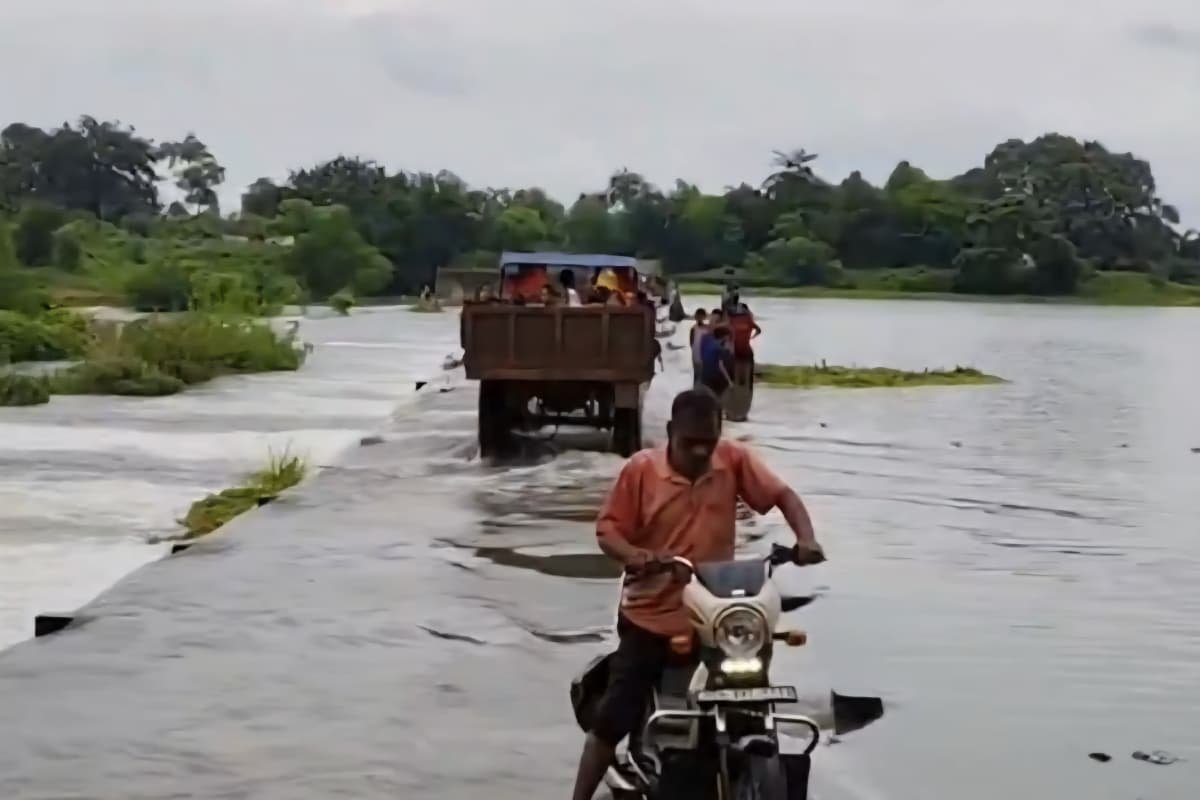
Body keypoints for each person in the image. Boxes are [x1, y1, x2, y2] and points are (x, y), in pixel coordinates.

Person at [570, 388, 824, 800]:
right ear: (671, 431)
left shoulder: (732, 460)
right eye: (691, 443)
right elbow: (608, 530)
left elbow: (783, 496)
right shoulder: (641, 471)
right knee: (613, 719)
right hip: (651, 614)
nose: (701, 451)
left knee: (750, 699)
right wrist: (638, 556)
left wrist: (806, 539)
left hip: (715, 615)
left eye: (709, 441)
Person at [699, 325, 734, 397]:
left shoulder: (707, 340)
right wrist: (729, 381)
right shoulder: (720, 348)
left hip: (704, 375)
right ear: (725, 336)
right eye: (728, 336)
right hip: (713, 376)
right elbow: (721, 366)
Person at [688, 309, 709, 387]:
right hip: (697, 355)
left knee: (702, 375)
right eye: (698, 316)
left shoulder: (707, 328)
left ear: (704, 317)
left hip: (704, 355)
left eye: (701, 316)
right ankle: (696, 389)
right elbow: (691, 343)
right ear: (696, 317)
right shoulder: (694, 329)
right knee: (697, 375)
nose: (700, 318)